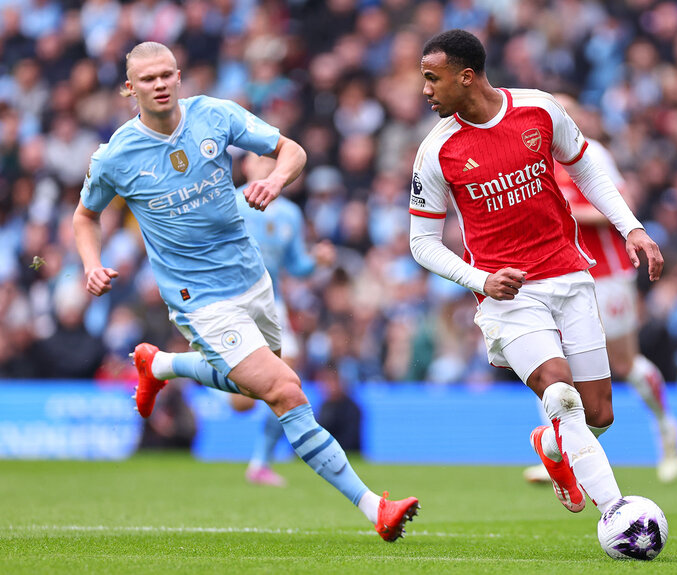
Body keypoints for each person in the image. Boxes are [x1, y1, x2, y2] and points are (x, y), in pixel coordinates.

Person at [72, 41, 418, 542]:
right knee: (285, 390)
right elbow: (85, 216)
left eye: (168, 73)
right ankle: (374, 508)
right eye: (148, 79)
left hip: (253, 281)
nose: (162, 84)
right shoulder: (116, 156)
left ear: (179, 75)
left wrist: (276, 180)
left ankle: (161, 365)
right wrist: (91, 264)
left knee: (251, 395)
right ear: (130, 89)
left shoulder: (214, 115)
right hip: (199, 299)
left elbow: (290, 150)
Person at [409, 29, 664, 516]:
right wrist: (479, 280)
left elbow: (587, 169)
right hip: (508, 294)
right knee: (560, 392)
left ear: (466, 77)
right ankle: (618, 511)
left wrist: (632, 228)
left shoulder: (539, 109)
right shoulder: (435, 151)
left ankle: (551, 446)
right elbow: (420, 243)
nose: (425, 90)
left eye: (431, 78)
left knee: (598, 415)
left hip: (569, 276)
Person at [523, 93, 677, 485]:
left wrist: (565, 210)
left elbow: (620, 204)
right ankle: (564, 454)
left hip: (605, 273)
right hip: (554, 274)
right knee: (554, 364)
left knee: (624, 365)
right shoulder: (527, 156)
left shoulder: (590, 152)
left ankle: (666, 430)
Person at [153, 151, 337, 487]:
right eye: (259, 158)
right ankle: (182, 366)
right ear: (246, 166)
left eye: (272, 158)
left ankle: (260, 462)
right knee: (242, 403)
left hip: (273, 306)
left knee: (289, 383)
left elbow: (295, 265)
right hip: (232, 306)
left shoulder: (290, 214)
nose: (266, 163)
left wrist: (317, 260)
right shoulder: (229, 204)